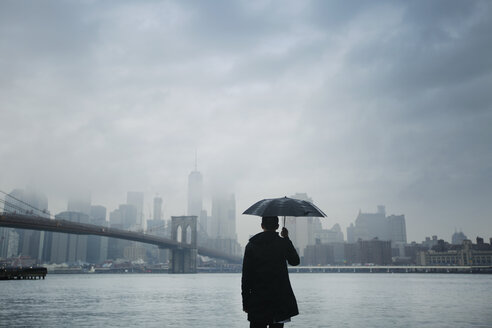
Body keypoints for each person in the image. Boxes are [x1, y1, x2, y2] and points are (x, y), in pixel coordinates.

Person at [241, 216, 300, 328]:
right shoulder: (282, 243)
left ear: (262, 226)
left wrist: (245, 302)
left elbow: (246, 277)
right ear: (277, 226)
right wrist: (286, 238)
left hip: (257, 300)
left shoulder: (251, 245)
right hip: (279, 301)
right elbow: (295, 261)